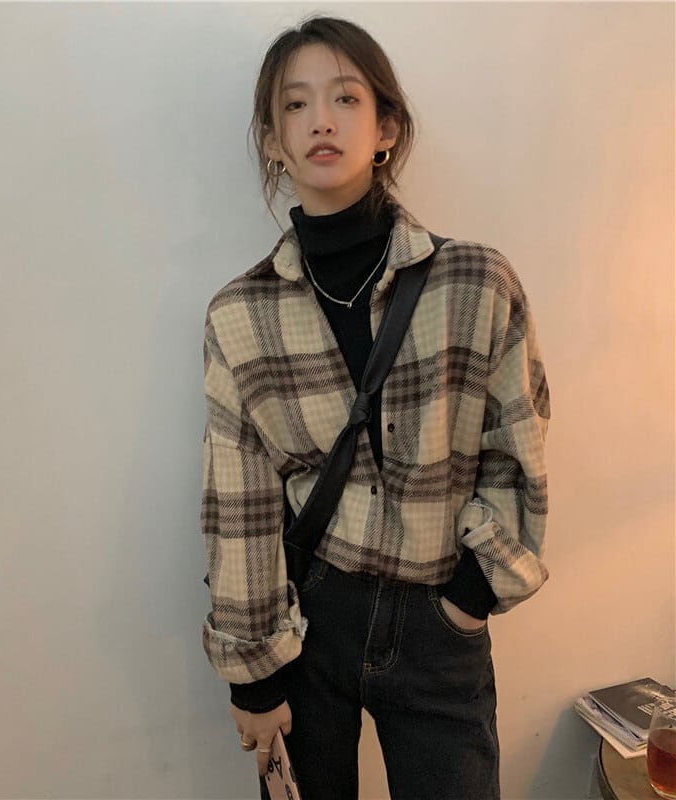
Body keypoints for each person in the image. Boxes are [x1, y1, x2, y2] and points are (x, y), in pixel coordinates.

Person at [200, 15, 550, 800]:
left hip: (440, 618)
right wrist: (253, 674)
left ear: (385, 127)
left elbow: (515, 446)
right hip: (308, 623)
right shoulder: (241, 315)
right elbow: (240, 503)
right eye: (295, 105)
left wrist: (471, 596)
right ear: (273, 141)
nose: (321, 120)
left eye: (345, 98)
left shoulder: (476, 281)